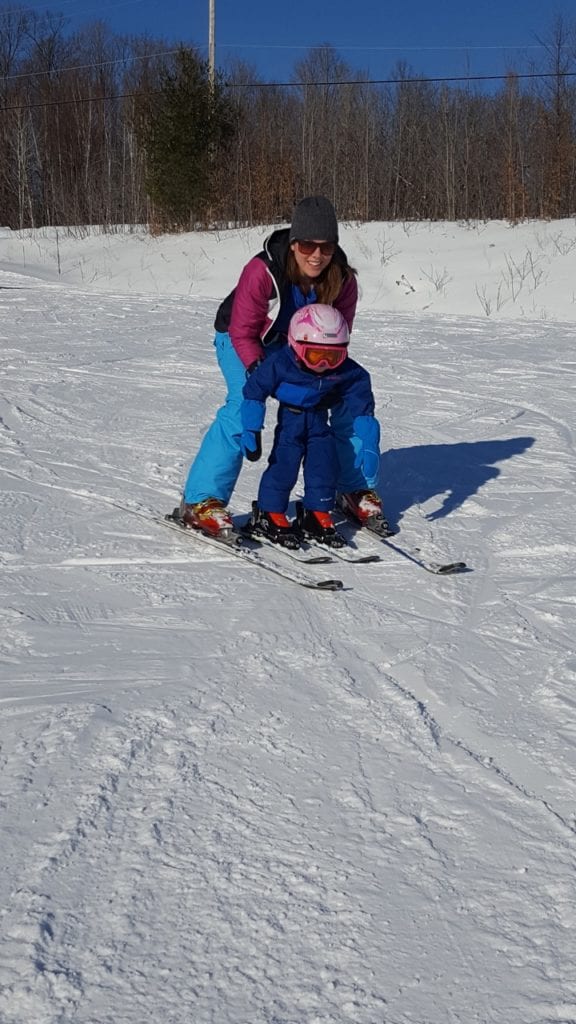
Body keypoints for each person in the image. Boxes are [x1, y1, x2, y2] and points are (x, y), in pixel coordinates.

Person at [179, 195, 387, 537]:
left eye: (326, 246)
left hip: (304, 347)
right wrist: (265, 378)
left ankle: (354, 487)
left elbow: (338, 338)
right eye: (307, 245)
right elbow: (243, 332)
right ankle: (203, 501)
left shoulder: (343, 281)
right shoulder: (261, 271)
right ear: (293, 244)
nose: (316, 255)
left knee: (343, 400)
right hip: (243, 340)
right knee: (240, 405)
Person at [240, 304, 382, 550]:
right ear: (296, 345)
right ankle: (269, 513)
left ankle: (317, 512)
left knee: (324, 466)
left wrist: (369, 442)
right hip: (290, 423)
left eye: (334, 356)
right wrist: (251, 427)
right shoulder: (280, 363)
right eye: (316, 356)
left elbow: (360, 398)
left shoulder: (346, 370)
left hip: (319, 421)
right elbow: (255, 390)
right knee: (284, 465)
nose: (325, 364)